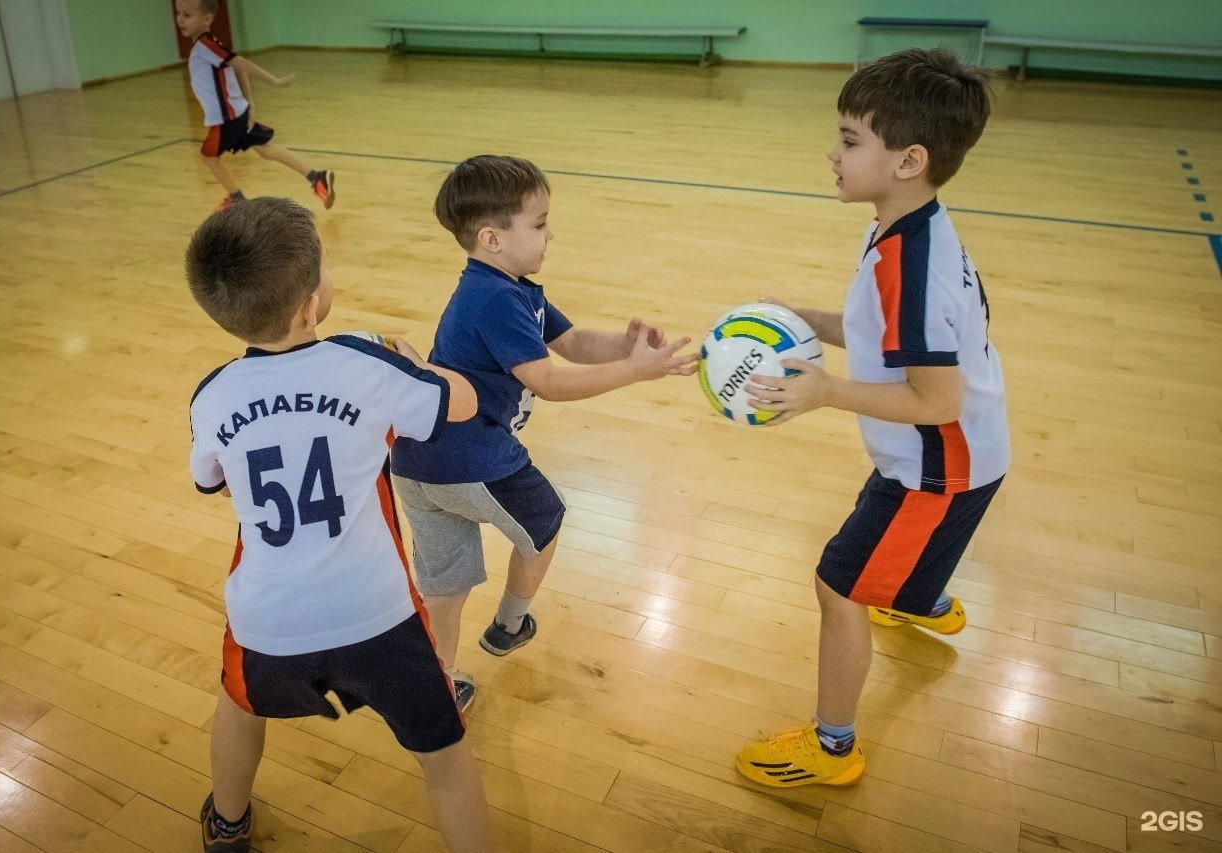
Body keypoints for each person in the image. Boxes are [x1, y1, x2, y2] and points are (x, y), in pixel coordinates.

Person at [733, 48, 1009, 788]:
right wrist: (801, 318)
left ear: (909, 159)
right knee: (877, 554)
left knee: (838, 586)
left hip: (939, 466)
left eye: (851, 141)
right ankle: (925, 600)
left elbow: (936, 400)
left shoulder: (907, 266)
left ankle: (830, 748)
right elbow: (885, 336)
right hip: (947, 457)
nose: (833, 152)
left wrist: (824, 391)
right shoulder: (906, 225)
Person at [186, 197, 494, 853]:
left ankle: (229, 823)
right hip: (378, 615)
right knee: (445, 757)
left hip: (268, 619)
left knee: (238, 704)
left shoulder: (212, 394)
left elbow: (208, 478)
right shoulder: (365, 360)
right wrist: (420, 364)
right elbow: (460, 403)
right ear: (308, 306)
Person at [390, 155, 698, 711]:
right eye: (538, 223)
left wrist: (628, 348)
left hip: (416, 465)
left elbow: (574, 343)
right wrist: (634, 373)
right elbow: (550, 382)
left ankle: (439, 685)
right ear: (492, 238)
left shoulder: (508, 287)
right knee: (546, 522)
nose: (549, 233)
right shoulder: (495, 300)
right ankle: (510, 623)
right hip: (473, 459)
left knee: (445, 585)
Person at [174, 0, 335, 212]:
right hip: (238, 113)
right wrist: (249, 104)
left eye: (187, 15)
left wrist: (273, 81)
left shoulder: (205, 46)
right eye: (179, 14)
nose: (180, 20)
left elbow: (243, 65)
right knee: (266, 150)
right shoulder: (208, 45)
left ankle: (237, 198)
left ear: (206, 20)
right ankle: (316, 178)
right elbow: (238, 69)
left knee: (208, 157)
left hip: (226, 120)